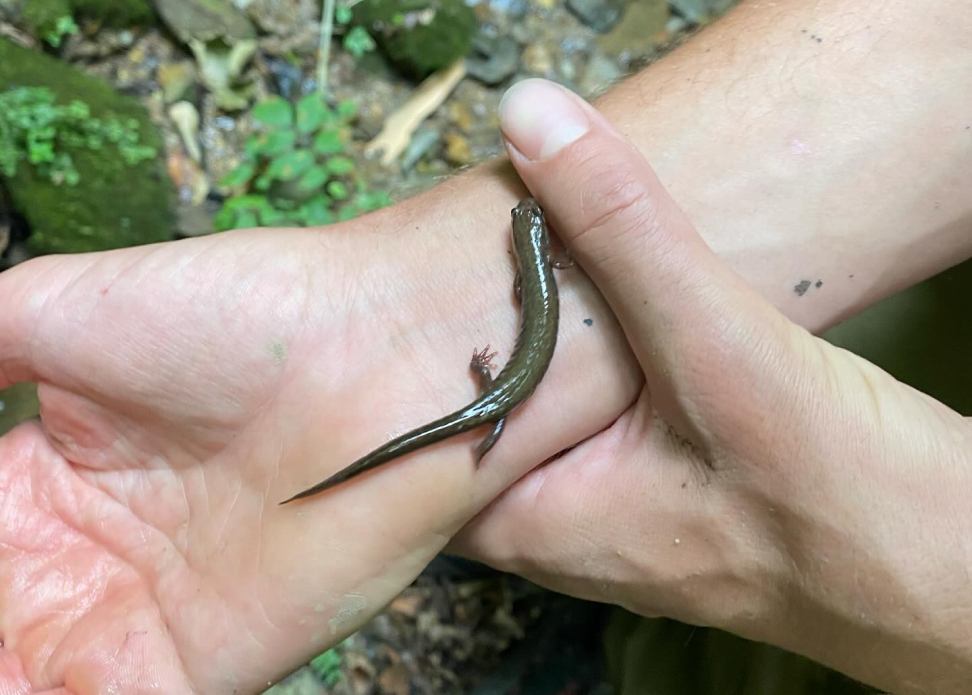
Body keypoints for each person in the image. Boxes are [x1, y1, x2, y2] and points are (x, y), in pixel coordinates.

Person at [0, 0, 969, 692]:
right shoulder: (532, 272)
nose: (527, 236)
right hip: (501, 394)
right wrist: (400, 306)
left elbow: (516, 313)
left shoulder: (523, 284)